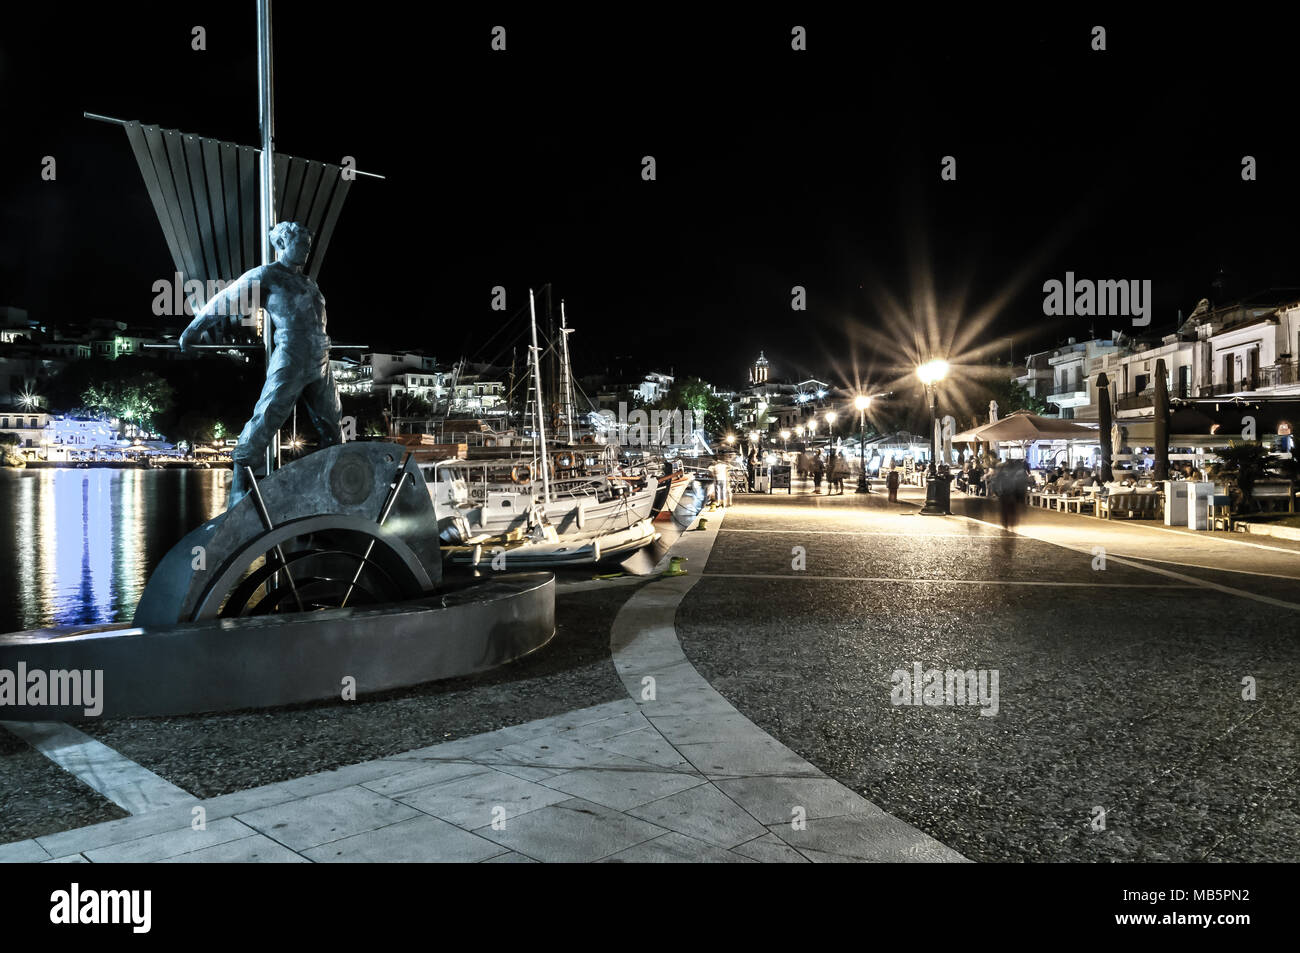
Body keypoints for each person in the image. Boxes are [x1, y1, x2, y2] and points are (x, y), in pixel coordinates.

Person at [179, 221, 341, 509]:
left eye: (308, 244)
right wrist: (194, 328)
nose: (306, 250)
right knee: (269, 414)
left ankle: (332, 487)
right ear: (282, 245)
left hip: (322, 359)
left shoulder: (309, 283)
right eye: (300, 244)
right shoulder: (268, 276)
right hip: (292, 355)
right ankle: (240, 484)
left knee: (332, 424)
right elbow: (227, 300)